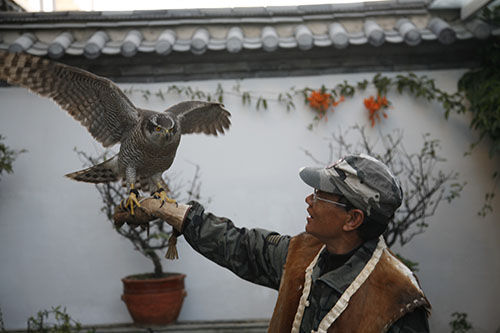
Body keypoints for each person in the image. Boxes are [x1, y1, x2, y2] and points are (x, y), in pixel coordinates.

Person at [117, 154, 431, 332]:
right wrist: (170, 211)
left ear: (352, 220)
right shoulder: (303, 253)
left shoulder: (398, 301)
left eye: (322, 195)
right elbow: (239, 245)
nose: (309, 199)